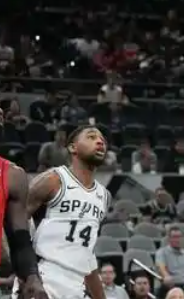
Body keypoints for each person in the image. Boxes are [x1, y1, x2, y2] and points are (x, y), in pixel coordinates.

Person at [17, 126, 109, 299]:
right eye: (91, 137)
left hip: (75, 285)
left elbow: (87, 254)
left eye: (102, 140)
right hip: (44, 276)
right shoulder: (53, 180)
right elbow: (15, 223)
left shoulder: (103, 196)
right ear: (73, 147)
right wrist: (27, 274)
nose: (100, 142)